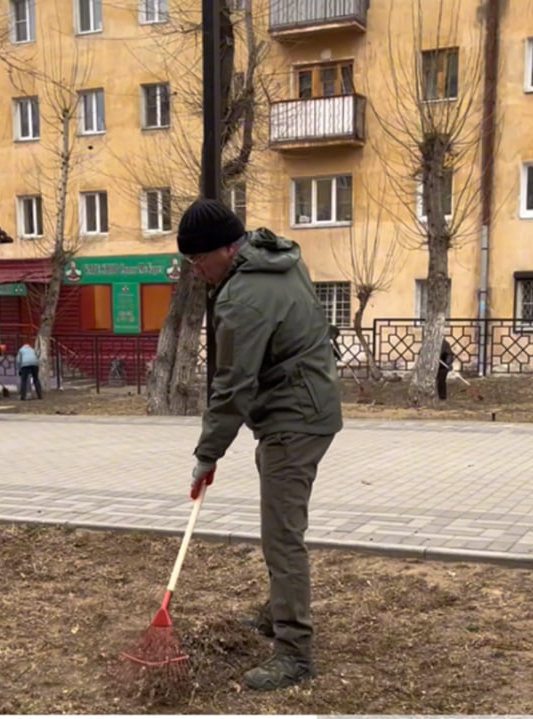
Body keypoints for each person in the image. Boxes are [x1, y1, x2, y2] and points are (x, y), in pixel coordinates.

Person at [178, 197, 343, 691]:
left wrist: (207, 454)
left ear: (225, 250)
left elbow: (232, 386)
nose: (195, 271)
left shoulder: (241, 298)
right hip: (308, 405)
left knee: (282, 536)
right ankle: (277, 612)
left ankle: (294, 653)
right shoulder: (280, 258)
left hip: (294, 419)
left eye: (197, 260)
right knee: (281, 523)